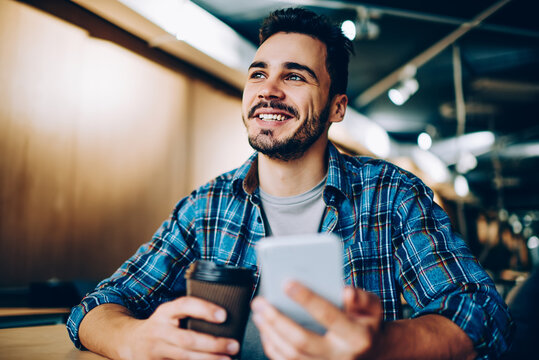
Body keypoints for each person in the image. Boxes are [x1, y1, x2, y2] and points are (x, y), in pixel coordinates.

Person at [67, 7, 513, 360]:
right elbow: (99, 304)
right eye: (258, 73)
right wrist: (134, 339)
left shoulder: (392, 195)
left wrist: (380, 346)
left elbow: (483, 314)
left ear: (337, 108)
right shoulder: (205, 206)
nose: (269, 89)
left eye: (295, 75)